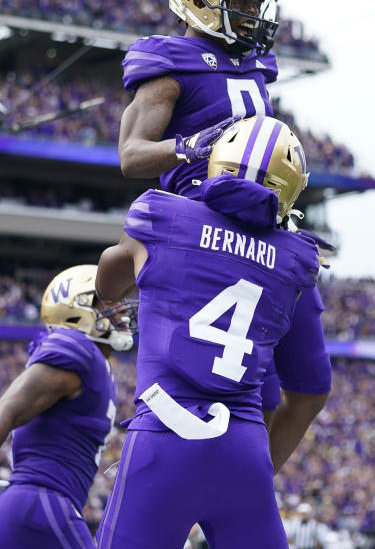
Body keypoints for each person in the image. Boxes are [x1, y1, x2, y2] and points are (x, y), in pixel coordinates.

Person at [116, 0, 331, 470]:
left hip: (265, 224)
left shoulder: (256, 63)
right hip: (202, 224)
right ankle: (158, 457)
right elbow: (130, 155)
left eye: (256, 3)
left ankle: (255, 483)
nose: (251, 14)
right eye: (239, 1)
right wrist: (189, 145)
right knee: (219, 381)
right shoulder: (169, 63)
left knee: (304, 387)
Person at [93, 117, 321, 548]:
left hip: (164, 434)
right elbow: (309, 391)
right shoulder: (297, 259)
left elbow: (108, 280)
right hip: (244, 445)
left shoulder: (163, 214)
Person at [0, 265, 136, 548]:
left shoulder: (96, 365)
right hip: (39, 506)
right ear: (78, 310)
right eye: (109, 301)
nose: (122, 309)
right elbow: (7, 407)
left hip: (28, 510)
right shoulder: (77, 347)